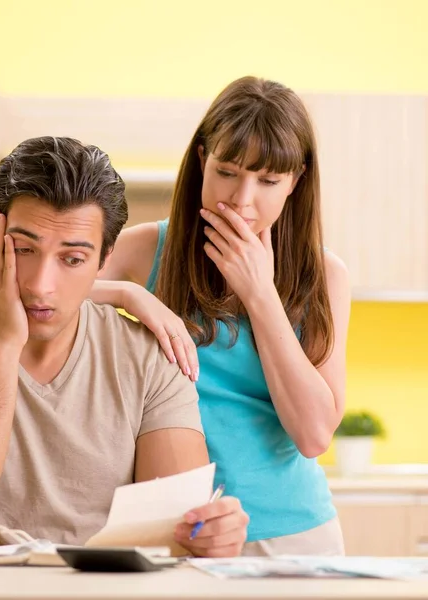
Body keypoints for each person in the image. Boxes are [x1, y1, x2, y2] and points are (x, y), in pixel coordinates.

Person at [0, 136, 249, 557]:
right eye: (24, 249)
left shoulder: (152, 359)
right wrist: (4, 346)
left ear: (104, 259)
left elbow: (173, 539)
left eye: (73, 259)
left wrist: (209, 537)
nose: (41, 285)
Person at [94, 76, 351, 555]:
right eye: (227, 171)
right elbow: (42, 297)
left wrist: (261, 295)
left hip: (293, 534)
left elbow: (315, 435)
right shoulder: (148, 250)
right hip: (176, 534)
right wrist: (131, 295)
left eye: (269, 181)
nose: (242, 199)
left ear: (296, 181)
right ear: (201, 160)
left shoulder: (326, 276)